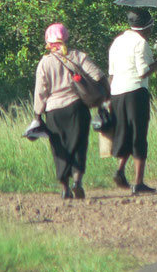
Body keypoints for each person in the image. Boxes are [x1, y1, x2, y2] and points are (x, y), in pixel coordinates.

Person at [33, 23, 108, 199]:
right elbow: (98, 75)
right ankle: (77, 182)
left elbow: (40, 92)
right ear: (66, 38)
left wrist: (37, 115)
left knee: (60, 149)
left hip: (53, 112)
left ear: (48, 41)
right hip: (77, 107)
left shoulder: (44, 63)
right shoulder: (77, 56)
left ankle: (65, 188)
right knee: (79, 145)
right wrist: (105, 96)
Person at [108, 9, 157, 194]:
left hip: (117, 93)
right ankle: (138, 183)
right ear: (147, 27)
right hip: (135, 92)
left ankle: (120, 171)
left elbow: (111, 74)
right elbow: (143, 72)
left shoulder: (117, 41)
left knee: (125, 133)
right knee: (139, 135)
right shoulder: (141, 43)